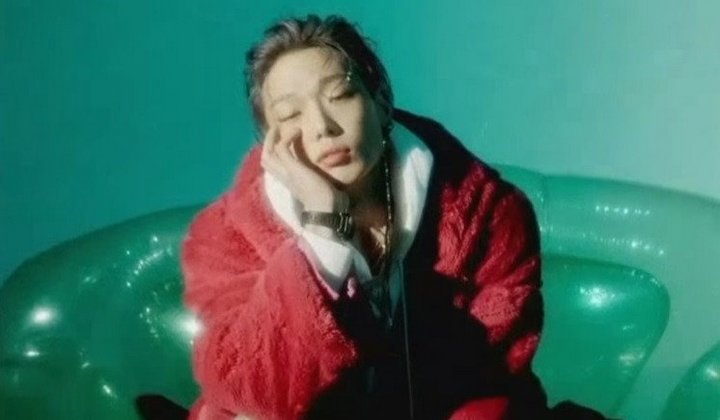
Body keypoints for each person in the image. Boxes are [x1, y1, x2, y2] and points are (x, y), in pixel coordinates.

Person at [181, 14, 605, 420]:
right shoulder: (225, 236)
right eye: (291, 115)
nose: (322, 127)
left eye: (339, 95)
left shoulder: (490, 213)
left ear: (381, 102)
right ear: (271, 146)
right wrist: (324, 238)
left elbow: (488, 373)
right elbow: (255, 388)